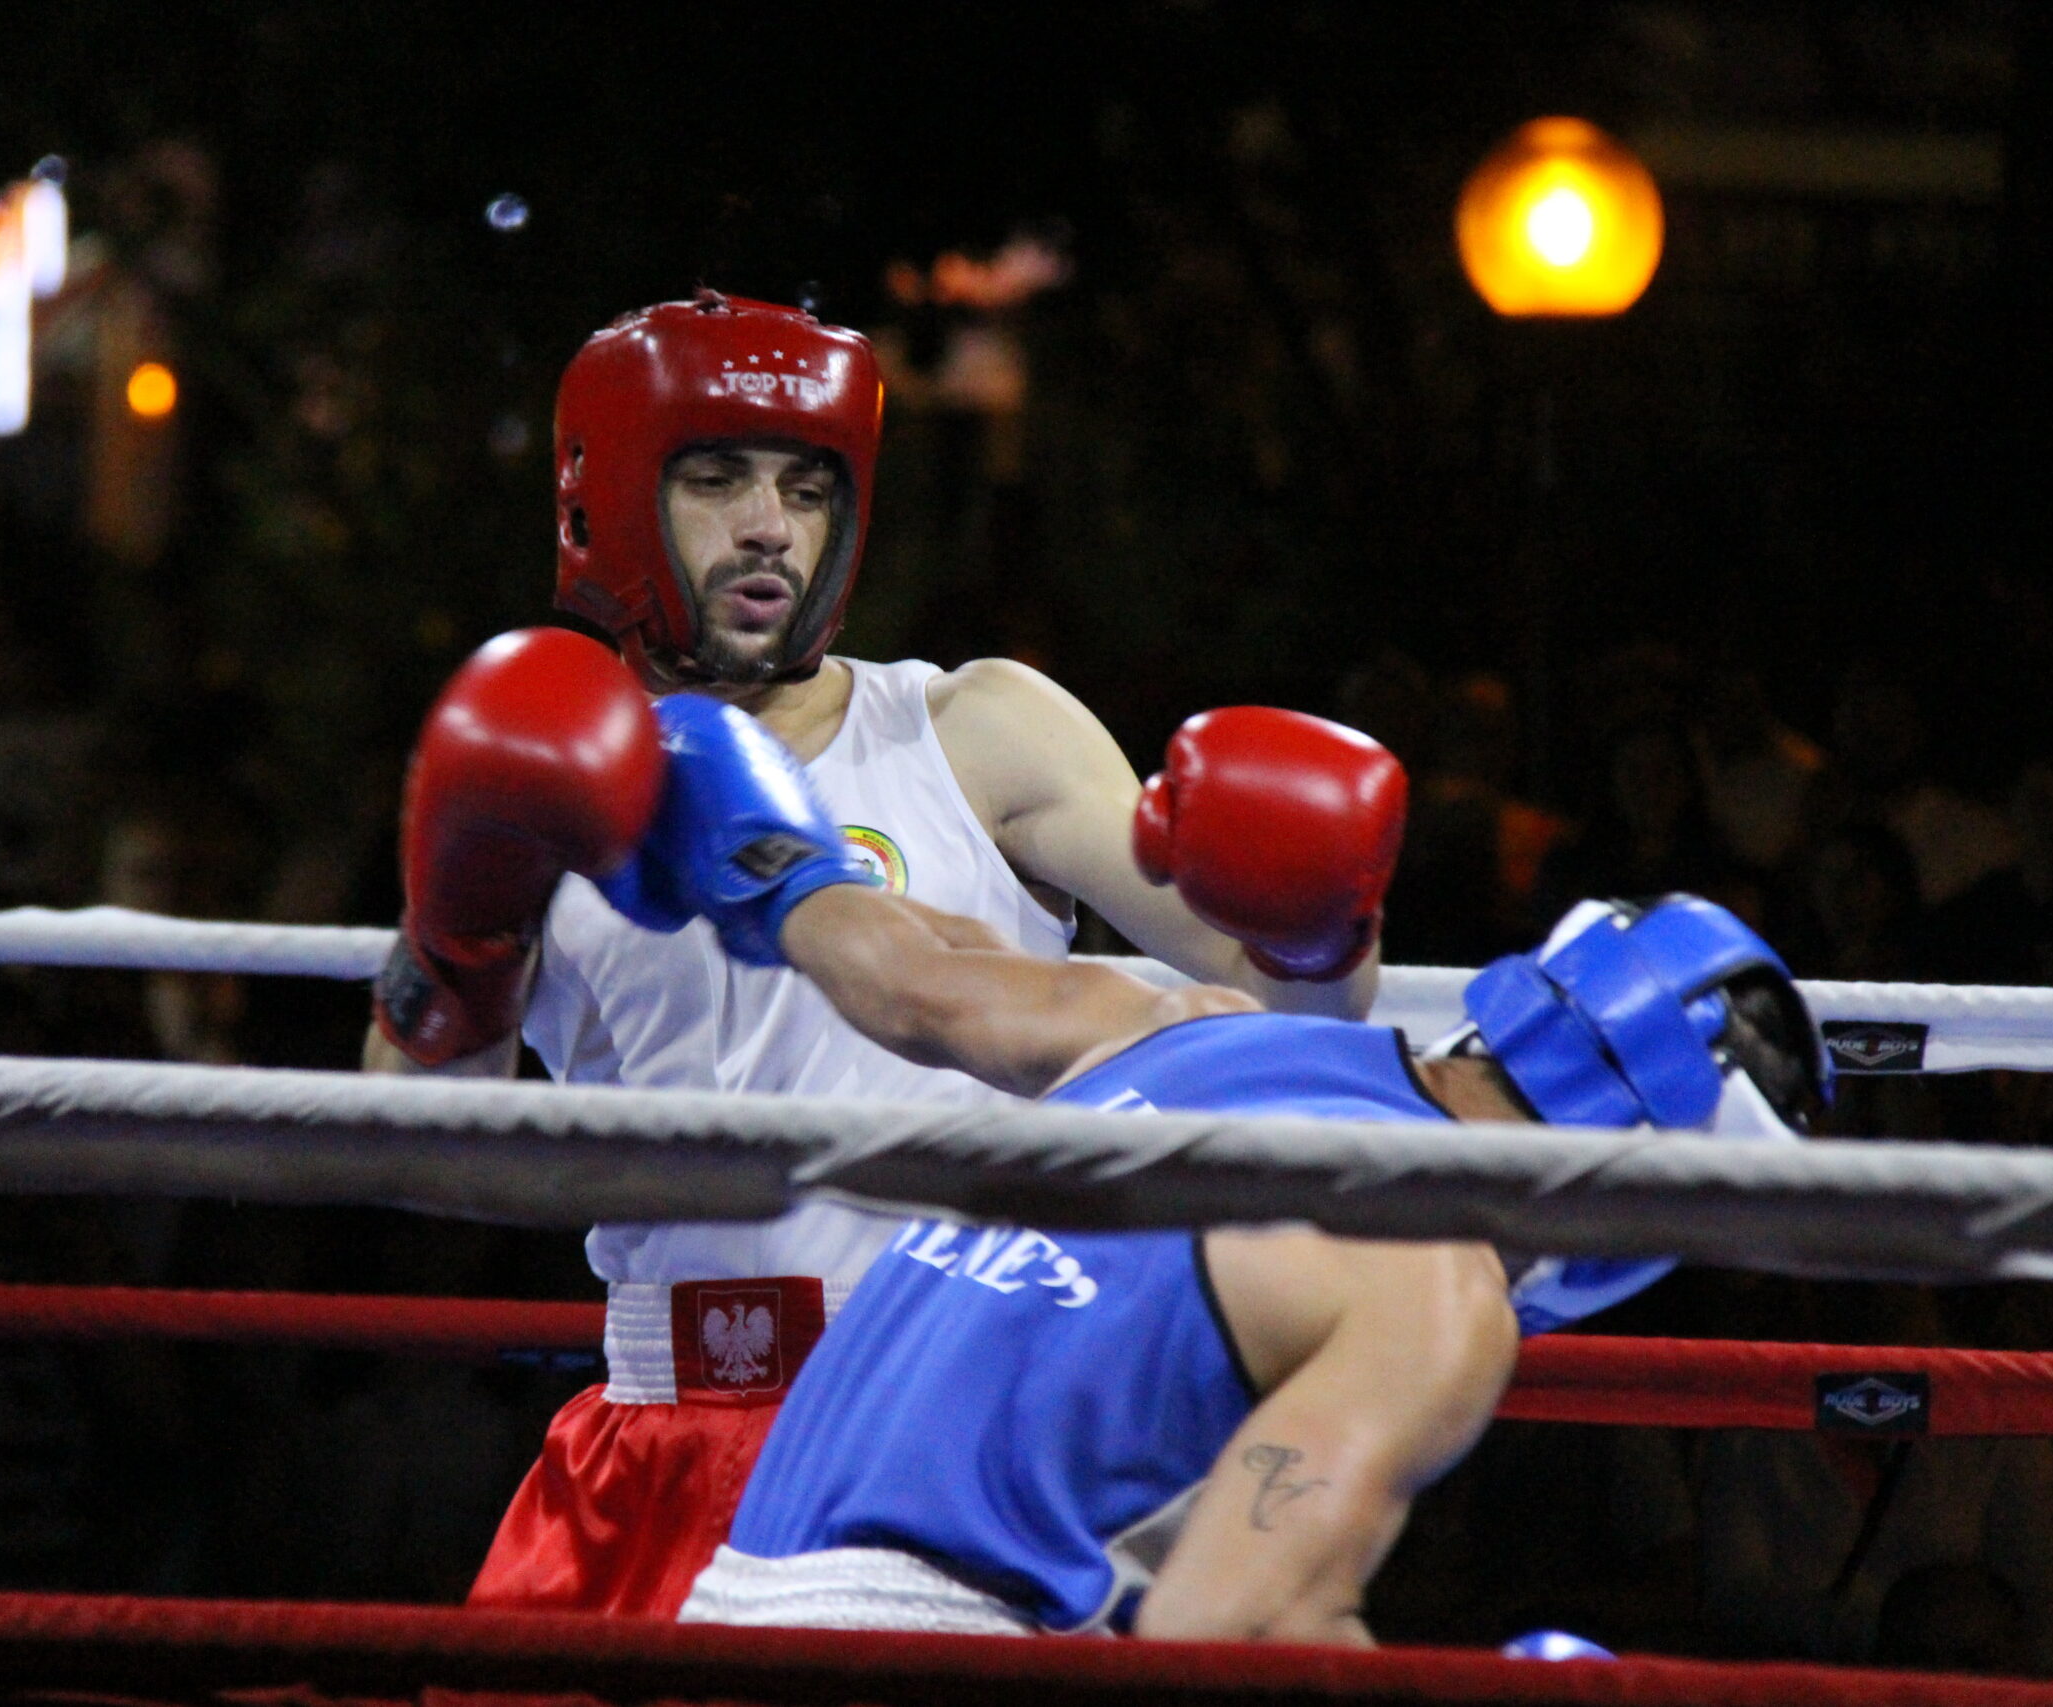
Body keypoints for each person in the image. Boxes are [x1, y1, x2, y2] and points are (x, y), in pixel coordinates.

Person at [361, 293, 1404, 1618]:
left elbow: (1292, 1009)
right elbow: (419, 1132)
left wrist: (1324, 917)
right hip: (670, 1429)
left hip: (966, 1419)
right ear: (607, 501)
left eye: (807, 490)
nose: (769, 527)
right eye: (717, 480)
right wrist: (461, 925)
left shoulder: (973, 732)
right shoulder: (543, 763)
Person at [489, 665, 1830, 1642]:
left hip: (736, 1598)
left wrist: (767, 849)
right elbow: (1214, 1639)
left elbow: (905, 979)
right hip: (934, 1652)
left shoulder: (1190, 1027)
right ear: (1652, 1180)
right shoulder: (1438, 1290)